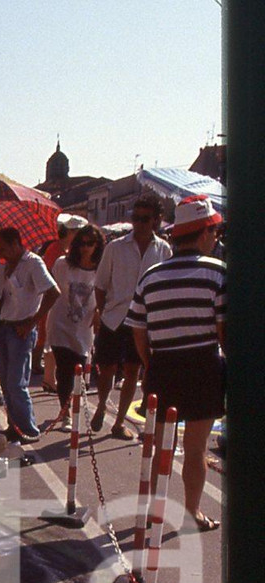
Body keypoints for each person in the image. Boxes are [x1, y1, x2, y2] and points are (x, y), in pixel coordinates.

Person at [125, 195, 225, 532]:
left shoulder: (151, 276)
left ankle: (153, 511)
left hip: (163, 366)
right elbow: (224, 330)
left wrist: (149, 361)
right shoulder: (218, 272)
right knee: (195, 450)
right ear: (203, 233)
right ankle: (193, 511)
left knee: (160, 446)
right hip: (203, 366)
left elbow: (138, 328)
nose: (216, 238)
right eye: (214, 231)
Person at [90, 194, 172, 440]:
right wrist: (104, 312)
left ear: (156, 221)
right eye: (135, 218)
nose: (139, 223)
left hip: (144, 322)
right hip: (114, 317)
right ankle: (102, 404)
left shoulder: (163, 249)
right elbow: (101, 284)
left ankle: (118, 422)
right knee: (106, 370)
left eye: (144, 219)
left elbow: (164, 286)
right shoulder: (115, 247)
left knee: (133, 371)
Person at [0, 228, 58, 444]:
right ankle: (14, 425)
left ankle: (28, 429)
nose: (1, 254)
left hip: (22, 328)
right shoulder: (1, 266)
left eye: (3, 249)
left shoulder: (33, 263)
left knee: (17, 382)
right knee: (5, 381)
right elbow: (2, 298)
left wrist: (32, 322)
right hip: (5, 325)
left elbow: (53, 292)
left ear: (16, 243)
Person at [36, 225, 105, 430]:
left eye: (90, 244)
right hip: (60, 324)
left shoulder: (102, 269)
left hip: (84, 328)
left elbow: (106, 293)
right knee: (65, 370)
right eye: (82, 243)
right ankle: (66, 413)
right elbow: (52, 290)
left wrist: (101, 311)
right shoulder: (62, 265)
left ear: (98, 245)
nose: (85, 248)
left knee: (80, 369)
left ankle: (72, 407)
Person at [36, 214, 88, 383]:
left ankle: (48, 373)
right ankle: (43, 372)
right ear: (71, 232)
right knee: (47, 335)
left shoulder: (68, 250)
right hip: (53, 298)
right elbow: (50, 275)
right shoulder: (55, 250)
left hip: (68, 300)